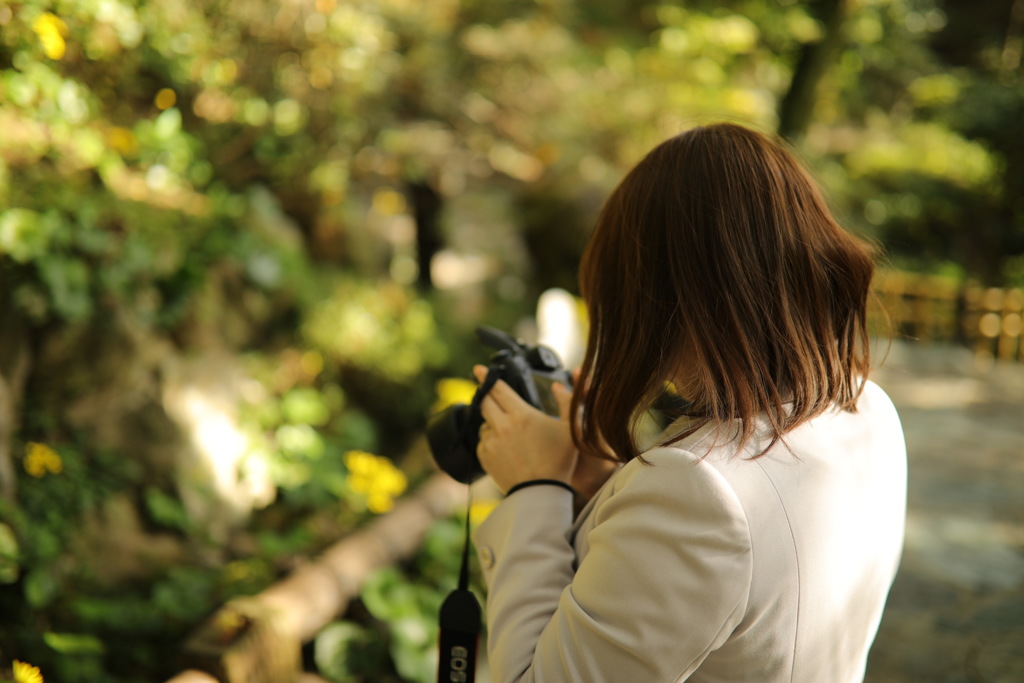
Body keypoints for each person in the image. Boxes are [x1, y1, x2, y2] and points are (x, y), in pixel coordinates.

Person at [471, 122, 907, 682]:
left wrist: (535, 487)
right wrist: (602, 488)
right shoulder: (870, 409)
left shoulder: (699, 490)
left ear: (652, 297)